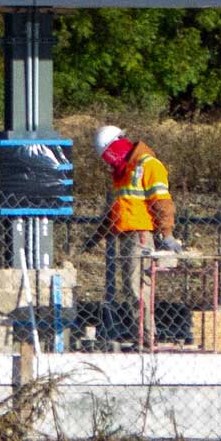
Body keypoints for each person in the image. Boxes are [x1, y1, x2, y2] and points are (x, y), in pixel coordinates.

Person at [83, 125, 182, 330]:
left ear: (114, 147)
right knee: (132, 287)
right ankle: (143, 335)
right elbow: (118, 210)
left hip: (140, 236)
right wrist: (97, 236)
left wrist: (167, 234)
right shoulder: (124, 172)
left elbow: (162, 202)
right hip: (128, 235)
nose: (107, 162)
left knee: (137, 288)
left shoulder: (148, 165)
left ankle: (146, 337)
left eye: (107, 156)